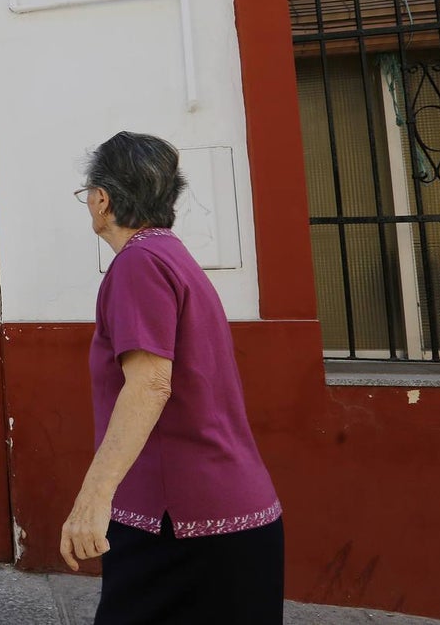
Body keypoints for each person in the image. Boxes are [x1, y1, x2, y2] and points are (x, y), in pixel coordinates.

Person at [61, 132, 284, 624]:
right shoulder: (172, 256)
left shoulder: (138, 264)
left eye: (88, 194)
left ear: (103, 200)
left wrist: (91, 500)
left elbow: (150, 384)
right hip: (227, 516)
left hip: (178, 524)